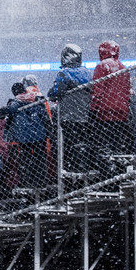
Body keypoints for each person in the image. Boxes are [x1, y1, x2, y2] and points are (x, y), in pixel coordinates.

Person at [49, 44, 93, 177]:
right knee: (82, 142)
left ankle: (70, 167)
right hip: (84, 113)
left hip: (69, 114)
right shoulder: (86, 72)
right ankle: (83, 166)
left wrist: (51, 91)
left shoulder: (64, 73)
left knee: (68, 143)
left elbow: (56, 92)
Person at [2, 81, 52, 191]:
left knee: (26, 159)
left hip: (25, 136)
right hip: (40, 134)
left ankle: (27, 181)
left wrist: (3, 110)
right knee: (40, 158)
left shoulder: (17, 101)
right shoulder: (37, 99)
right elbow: (44, 116)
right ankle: (41, 181)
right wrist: (49, 130)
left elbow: (11, 110)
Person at [90, 40, 132, 166]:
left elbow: (98, 90)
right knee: (118, 146)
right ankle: (119, 172)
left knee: (103, 147)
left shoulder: (102, 66)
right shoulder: (123, 67)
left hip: (105, 112)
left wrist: (93, 108)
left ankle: (107, 174)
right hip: (122, 112)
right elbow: (127, 91)